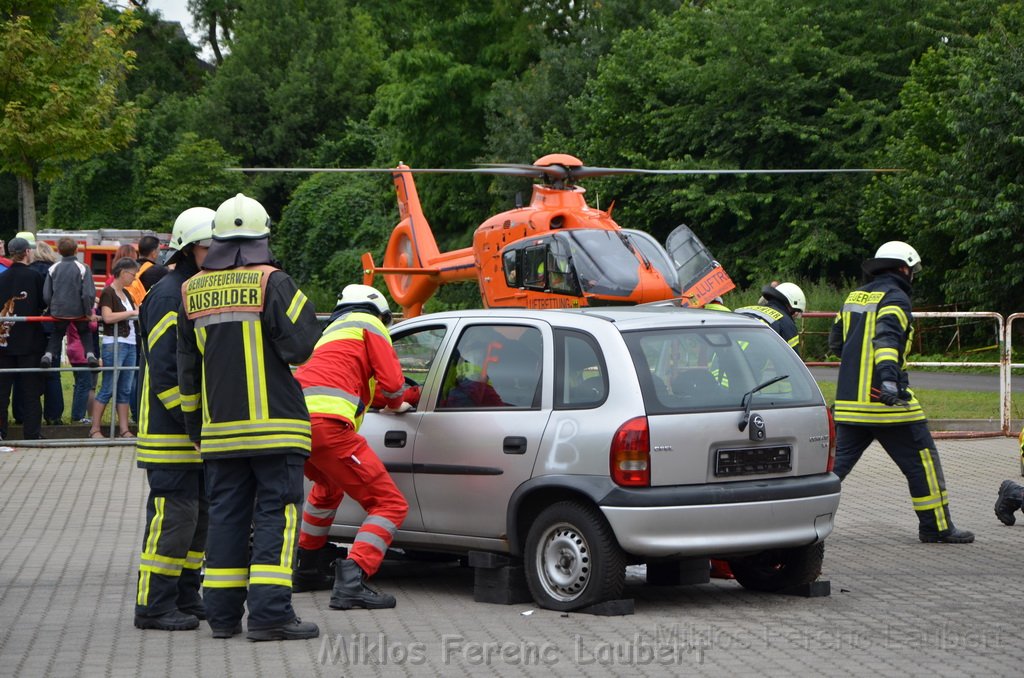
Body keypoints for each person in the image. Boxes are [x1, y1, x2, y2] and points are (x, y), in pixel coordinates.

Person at [177, 193, 321, 641]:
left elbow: (186, 371)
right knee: (277, 517)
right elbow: (302, 345)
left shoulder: (190, 289)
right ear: (263, 237)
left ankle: (221, 617)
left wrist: (194, 429)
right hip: (277, 430)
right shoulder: (273, 281)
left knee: (227, 520)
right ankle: (270, 616)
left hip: (219, 434)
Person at [829, 241, 973, 543]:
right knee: (923, 462)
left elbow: (836, 345)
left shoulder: (853, 296)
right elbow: (887, 340)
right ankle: (936, 528)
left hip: (848, 405)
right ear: (905, 269)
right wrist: (889, 383)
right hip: (885, 402)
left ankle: (794, 525)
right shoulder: (896, 297)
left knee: (831, 471)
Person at [291, 284, 419, 607]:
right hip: (330, 429)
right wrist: (401, 401)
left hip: (297, 426)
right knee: (390, 504)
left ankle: (307, 565)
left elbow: (357, 387)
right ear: (381, 312)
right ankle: (354, 575)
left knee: (327, 487)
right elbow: (391, 387)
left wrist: (404, 395)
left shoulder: (331, 334)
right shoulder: (371, 325)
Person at [133, 208, 216, 632]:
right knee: (174, 517)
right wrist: (192, 424)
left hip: (192, 431)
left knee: (197, 516)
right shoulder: (169, 294)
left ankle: (185, 594)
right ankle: (153, 604)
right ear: (187, 248)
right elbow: (167, 369)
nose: (217, 252)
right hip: (171, 432)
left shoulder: (191, 287)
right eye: (208, 246)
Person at [0, 237, 47, 440]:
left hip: (4, 340)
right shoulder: (34, 276)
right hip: (29, 341)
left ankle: (1, 433)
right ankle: (32, 434)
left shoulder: (2, 277)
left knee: (2, 392)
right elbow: (42, 304)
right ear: (27, 252)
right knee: (31, 390)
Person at [88, 257, 140, 439]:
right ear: (123, 272)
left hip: (130, 343)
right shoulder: (109, 292)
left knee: (125, 388)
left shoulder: (127, 294)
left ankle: (124, 429)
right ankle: (95, 428)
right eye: (133, 274)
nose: (134, 278)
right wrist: (132, 312)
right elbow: (108, 317)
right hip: (115, 343)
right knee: (108, 387)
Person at [41, 237, 98, 370]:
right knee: (84, 332)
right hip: (79, 311)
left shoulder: (53, 268)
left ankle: (48, 355)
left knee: (57, 333)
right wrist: (88, 312)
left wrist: (53, 307)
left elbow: (47, 294)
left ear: (59, 251)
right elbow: (88, 294)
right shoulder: (83, 268)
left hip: (59, 311)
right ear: (76, 250)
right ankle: (90, 355)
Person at [736, 282, 805, 350]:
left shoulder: (743, 310)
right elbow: (791, 358)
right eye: (796, 311)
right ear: (790, 305)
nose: (795, 315)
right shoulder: (786, 323)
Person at [65, 322, 97, 424]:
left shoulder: (70, 310)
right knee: (84, 385)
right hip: (81, 350)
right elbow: (93, 325)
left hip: (73, 349)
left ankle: (76, 416)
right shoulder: (84, 309)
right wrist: (94, 310)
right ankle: (78, 416)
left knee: (79, 385)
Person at [126, 234, 168, 307]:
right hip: (149, 310)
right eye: (159, 251)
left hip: (130, 309)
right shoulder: (159, 271)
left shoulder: (128, 267)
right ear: (153, 253)